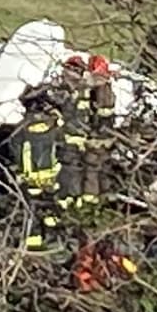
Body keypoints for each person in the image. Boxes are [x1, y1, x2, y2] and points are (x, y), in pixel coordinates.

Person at [8, 86, 65, 251]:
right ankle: (54, 240)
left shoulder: (22, 128)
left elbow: (15, 150)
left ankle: (32, 242)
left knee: (30, 210)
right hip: (51, 176)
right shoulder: (52, 125)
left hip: (30, 177)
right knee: (51, 209)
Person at [56, 56, 92, 211]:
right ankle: (75, 202)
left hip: (70, 139)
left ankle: (66, 202)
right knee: (75, 171)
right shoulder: (85, 91)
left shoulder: (72, 92)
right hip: (80, 139)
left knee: (67, 171)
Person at [81, 54, 116, 208]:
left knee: (92, 171)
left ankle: (91, 205)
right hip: (107, 138)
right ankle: (106, 200)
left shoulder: (98, 91)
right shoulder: (107, 88)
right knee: (104, 169)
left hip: (96, 138)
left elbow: (95, 116)